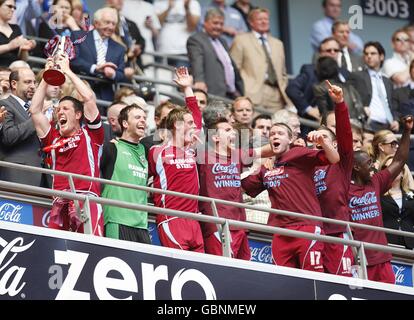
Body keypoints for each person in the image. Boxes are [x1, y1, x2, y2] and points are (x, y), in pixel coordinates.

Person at [242, 119, 340, 272]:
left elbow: (334, 159)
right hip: (281, 231)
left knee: (313, 280)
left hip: (306, 226)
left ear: (290, 140)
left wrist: (323, 141)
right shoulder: (265, 169)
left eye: (280, 133)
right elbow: (242, 187)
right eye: (272, 134)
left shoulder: (298, 153)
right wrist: (257, 163)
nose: (275, 136)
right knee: (283, 281)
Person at [30, 54, 104, 236]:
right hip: (59, 202)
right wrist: (48, 75)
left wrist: (67, 71)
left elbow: (88, 98)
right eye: (57, 110)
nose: (59, 112)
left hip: (86, 200)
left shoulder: (91, 134)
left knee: (91, 249)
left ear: (78, 115)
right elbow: (35, 110)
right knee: (57, 252)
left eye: (65, 109)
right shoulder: (52, 137)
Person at [348, 116, 413, 284]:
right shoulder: (343, 189)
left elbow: (399, 160)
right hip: (359, 258)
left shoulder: (375, 182)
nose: (373, 166)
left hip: (382, 256)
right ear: (356, 167)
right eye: (368, 163)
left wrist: (406, 131)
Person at [148, 66, 204, 252]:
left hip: (195, 221)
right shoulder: (157, 152)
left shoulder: (191, 149)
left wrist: (187, 88)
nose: (194, 127)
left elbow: (196, 114)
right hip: (171, 218)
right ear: (177, 125)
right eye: (189, 124)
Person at [312, 81, 355, 276]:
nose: (319, 141)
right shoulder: (307, 165)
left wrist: (339, 104)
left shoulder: (341, 163)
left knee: (340, 287)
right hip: (313, 233)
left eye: (325, 138)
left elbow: (345, 133)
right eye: (316, 139)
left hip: (337, 233)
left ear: (335, 144)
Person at [101, 104, 151, 244]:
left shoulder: (146, 150)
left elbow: (171, 133)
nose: (143, 120)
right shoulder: (112, 148)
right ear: (124, 123)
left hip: (142, 225)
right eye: (137, 117)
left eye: (144, 118)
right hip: (117, 220)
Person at [230, 8, 292, 112]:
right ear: (251, 22)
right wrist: (240, 91)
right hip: (251, 93)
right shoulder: (241, 40)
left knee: (276, 126)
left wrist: (283, 88)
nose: (264, 22)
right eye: (260, 19)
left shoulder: (278, 44)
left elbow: (283, 73)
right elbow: (234, 68)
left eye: (266, 19)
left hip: (276, 94)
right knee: (254, 126)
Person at [70, 7, 126, 104]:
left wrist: (112, 74)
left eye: (113, 24)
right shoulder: (78, 36)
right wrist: (95, 68)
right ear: (96, 23)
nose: (111, 27)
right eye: (107, 22)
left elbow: (121, 73)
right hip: (79, 90)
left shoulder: (119, 48)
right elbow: (73, 59)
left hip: (105, 97)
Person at [187, 8, 244, 99]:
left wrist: (238, 89)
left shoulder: (222, 41)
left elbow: (229, 65)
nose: (218, 27)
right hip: (212, 93)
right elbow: (196, 61)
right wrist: (199, 80)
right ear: (205, 23)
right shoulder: (196, 40)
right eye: (215, 23)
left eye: (221, 24)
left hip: (231, 93)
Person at [0, 67, 43, 186]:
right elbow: (8, 137)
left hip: (42, 174)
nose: (33, 86)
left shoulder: (36, 108)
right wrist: (36, 117)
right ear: (14, 84)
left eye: (34, 82)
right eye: (27, 82)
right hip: (17, 173)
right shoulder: (4, 104)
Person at [348, 42, 399, 132]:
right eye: (366, 54)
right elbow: (349, 97)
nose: (369, 56)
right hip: (368, 124)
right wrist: (360, 109)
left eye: (373, 53)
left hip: (388, 126)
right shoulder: (357, 76)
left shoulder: (387, 81)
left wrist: (396, 120)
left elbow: (392, 105)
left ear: (381, 56)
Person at [380, 155, 414, 250]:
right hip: (385, 243)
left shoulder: (411, 194)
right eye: (387, 167)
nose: (391, 170)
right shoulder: (377, 194)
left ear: (403, 172)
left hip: (410, 244)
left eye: (395, 166)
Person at [154, 0, 200, 66]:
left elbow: (192, 27)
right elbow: (156, 24)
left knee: (181, 76)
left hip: (183, 51)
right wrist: (168, 8)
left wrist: (186, 8)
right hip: (162, 50)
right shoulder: (159, 2)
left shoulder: (192, 2)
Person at [0, 0, 36, 67]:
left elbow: (24, 60)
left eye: (14, 8)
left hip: (14, 71)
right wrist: (9, 46)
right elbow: (10, 46)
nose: (13, 10)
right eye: (9, 6)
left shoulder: (16, 28)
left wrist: (24, 49)